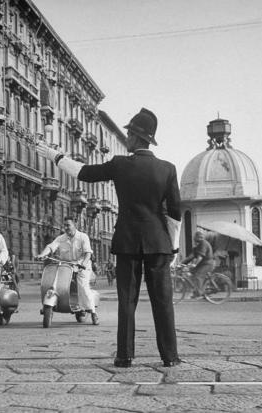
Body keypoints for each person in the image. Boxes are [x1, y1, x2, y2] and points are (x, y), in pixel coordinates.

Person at [37, 108, 182, 368]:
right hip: (158, 243)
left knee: (127, 301)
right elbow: (174, 214)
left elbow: (83, 172)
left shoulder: (119, 164)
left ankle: (124, 355)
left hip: (127, 241)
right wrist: (172, 247)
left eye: (129, 132)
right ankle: (169, 356)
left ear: (137, 138)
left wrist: (54, 155)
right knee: (163, 301)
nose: (126, 135)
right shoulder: (167, 169)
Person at [36, 216, 99, 325]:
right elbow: (51, 246)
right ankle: (62, 301)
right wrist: (42, 254)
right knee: (55, 282)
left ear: (75, 225)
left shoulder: (83, 237)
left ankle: (93, 312)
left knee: (82, 286)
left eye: (68, 225)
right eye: (64, 225)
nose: (66, 227)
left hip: (81, 265)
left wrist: (83, 264)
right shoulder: (61, 238)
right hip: (66, 266)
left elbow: (88, 253)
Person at [181, 231, 215, 298]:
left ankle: (199, 293)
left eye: (196, 237)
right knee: (191, 273)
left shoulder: (203, 243)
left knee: (198, 275)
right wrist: (181, 264)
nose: (195, 239)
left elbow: (200, 257)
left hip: (207, 264)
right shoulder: (197, 246)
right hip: (202, 264)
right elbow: (190, 257)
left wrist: (194, 264)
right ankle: (197, 291)